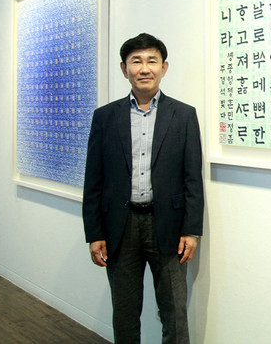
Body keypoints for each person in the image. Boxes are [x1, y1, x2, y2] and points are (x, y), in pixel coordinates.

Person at [82, 33, 203, 343]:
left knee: (174, 310)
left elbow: (192, 177)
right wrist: (95, 233)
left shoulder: (183, 115)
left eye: (152, 61)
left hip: (169, 227)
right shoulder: (105, 117)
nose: (144, 68)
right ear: (125, 69)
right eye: (136, 61)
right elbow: (94, 180)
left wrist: (191, 230)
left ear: (164, 67)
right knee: (124, 311)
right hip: (120, 228)